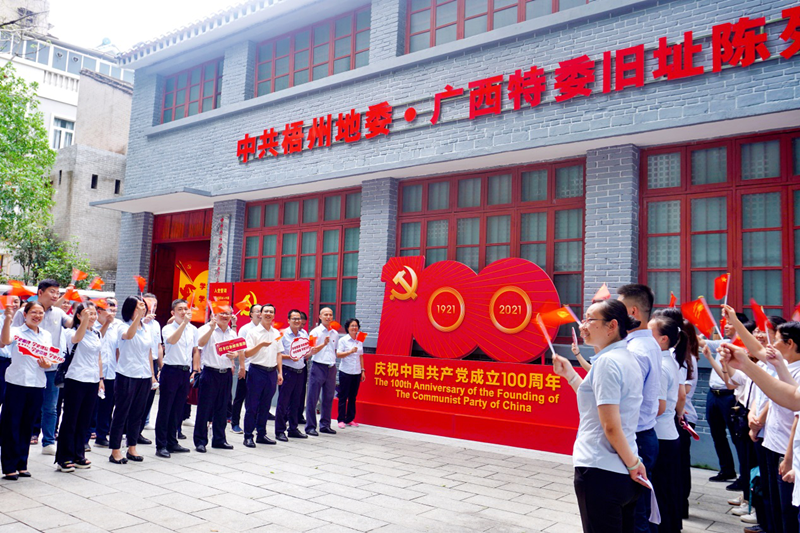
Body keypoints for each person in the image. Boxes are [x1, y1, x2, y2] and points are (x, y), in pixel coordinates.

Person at [552, 299, 648, 533]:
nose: (582, 325)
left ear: (612, 325)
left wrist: (634, 465)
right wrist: (571, 376)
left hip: (601, 470)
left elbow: (610, 426)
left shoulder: (607, 362)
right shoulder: (625, 358)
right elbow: (598, 404)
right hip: (622, 469)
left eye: (589, 319)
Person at [724, 307, 799, 533]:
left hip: (786, 447)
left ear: (790, 343)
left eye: (776, 339)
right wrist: (734, 320)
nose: (770, 344)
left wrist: (788, 457)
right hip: (772, 440)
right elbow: (756, 351)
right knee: (773, 500)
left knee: (786, 509)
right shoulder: (783, 364)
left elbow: (792, 404)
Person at [616, 283, 661, 532]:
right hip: (646, 434)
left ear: (632, 312)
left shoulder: (635, 350)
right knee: (640, 506)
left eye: (619, 308)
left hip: (637, 437)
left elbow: (622, 396)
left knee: (635, 513)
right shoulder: (648, 344)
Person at [11, 280, 72, 456]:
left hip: (51, 368)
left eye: (58, 293)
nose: (55, 296)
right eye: (52, 292)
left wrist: (84, 315)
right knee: (24, 407)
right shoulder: (23, 312)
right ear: (40, 292)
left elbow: (71, 323)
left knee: (51, 407)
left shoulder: (58, 312)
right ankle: (20, 438)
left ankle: (49, 442)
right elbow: (12, 335)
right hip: (26, 368)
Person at [0, 302, 53, 480]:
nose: (37, 316)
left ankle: (22, 464)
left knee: (27, 425)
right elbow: (4, 341)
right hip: (17, 383)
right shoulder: (16, 331)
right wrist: (7, 320)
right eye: (33, 312)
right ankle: (9, 466)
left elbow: (49, 359)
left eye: (40, 312)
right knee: (11, 425)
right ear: (25, 314)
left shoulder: (46, 335)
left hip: (37, 384)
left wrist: (47, 364)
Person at [657, 308, 699, 520]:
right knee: (677, 469)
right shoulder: (676, 355)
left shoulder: (678, 357)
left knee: (676, 471)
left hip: (677, 418)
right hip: (676, 417)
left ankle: (679, 508)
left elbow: (682, 393)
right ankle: (678, 509)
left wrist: (679, 414)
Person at [704, 312, 754, 486]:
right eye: (725, 322)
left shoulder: (743, 349)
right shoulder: (722, 343)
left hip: (730, 396)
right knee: (717, 434)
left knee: (737, 437)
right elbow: (701, 342)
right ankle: (726, 470)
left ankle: (744, 477)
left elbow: (732, 381)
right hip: (713, 394)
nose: (725, 326)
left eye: (730, 323)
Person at [647, 313, 687, 533]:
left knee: (661, 490)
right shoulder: (669, 360)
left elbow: (659, 407)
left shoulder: (661, 366)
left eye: (649, 332)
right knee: (668, 488)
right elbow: (680, 396)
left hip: (660, 435)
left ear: (663, 339)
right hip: (669, 433)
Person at [55, 302, 104, 472]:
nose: (92, 317)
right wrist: (84, 321)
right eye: (88, 313)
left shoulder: (97, 333)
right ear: (78, 315)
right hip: (75, 379)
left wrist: (100, 378)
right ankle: (64, 457)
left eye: (94, 313)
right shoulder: (70, 332)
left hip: (92, 380)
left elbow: (99, 357)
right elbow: (77, 338)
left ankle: (78, 454)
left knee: (85, 419)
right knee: (71, 418)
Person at [109, 297, 156, 464]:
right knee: (121, 412)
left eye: (143, 307)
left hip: (144, 375)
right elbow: (129, 335)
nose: (142, 310)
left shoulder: (147, 328)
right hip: (127, 374)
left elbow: (149, 352)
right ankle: (115, 450)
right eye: (138, 307)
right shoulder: (122, 326)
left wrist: (152, 374)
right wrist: (138, 318)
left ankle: (132, 447)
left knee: (138, 413)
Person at [194, 305, 242, 453]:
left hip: (226, 373)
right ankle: (200, 441)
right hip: (210, 372)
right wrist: (211, 328)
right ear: (213, 315)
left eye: (228, 313)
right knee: (204, 409)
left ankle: (219, 439)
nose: (225, 316)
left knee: (222, 408)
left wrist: (235, 355)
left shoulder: (232, 333)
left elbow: (236, 350)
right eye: (222, 313)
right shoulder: (205, 329)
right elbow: (200, 344)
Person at [156, 299, 197, 458]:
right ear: (173, 313)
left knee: (178, 408)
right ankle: (161, 444)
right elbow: (172, 340)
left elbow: (194, 351)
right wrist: (183, 324)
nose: (184, 311)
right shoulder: (168, 328)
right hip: (171, 371)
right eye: (180, 309)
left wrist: (194, 370)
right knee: (165, 408)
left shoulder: (192, 329)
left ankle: (172, 441)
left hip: (185, 372)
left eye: (186, 308)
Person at [243, 304, 283, 447]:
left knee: (266, 406)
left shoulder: (276, 333)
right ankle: (248, 436)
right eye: (266, 311)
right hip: (256, 371)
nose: (268, 314)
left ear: (274, 315)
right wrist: (260, 345)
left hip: (271, 372)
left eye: (271, 312)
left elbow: (279, 354)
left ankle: (261, 434)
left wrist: (280, 372)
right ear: (260, 314)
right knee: (252, 405)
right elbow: (247, 353)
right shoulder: (253, 332)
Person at [276, 309, 317, 442]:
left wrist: (311, 352)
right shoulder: (282, 334)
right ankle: (280, 430)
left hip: (300, 371)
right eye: (294, 318)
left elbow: (304, 354)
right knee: (283, 402)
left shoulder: (304, 334)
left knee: (296, 402)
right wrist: (290, 357)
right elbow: (278, 354)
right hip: (287, 371)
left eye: (299, 319)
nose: (297, 321)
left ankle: (293, 429)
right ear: (288, 320)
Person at [93, 299, 122, 447]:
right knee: (92, 406)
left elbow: (117, 348)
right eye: (109, 310)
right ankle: (87, 433)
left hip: (111, 371)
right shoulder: (92, 325)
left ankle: (102, 435)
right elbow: (97, 338)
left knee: (107, 405)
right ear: (99, 312)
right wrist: (106, 324)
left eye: (114, 311)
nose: (112, 314)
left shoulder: (117, 326)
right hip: (95, 372)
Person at [306, 307, 338, 436]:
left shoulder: (335, 333)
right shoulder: (315, 332)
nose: (328, 317)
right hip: (318, 366)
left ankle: (325, 424)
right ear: (320, 316)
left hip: (331, 367)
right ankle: (310, 426)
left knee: (328, 397)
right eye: (325, 314)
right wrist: (323, 344)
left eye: (330, 315)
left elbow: (334, 351)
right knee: (313, 398)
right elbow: (311, 351)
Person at [231, 304, 261, 434]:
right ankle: (235, 423)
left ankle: (252, 423)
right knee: (240, 396)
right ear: (251, 314)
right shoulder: (245, 329)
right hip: (247, 367)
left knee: (255, 398)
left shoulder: (264, 329)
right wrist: (242, 367)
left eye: (261, 311)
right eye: (257, 311)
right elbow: (241, 349)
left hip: (259, 368)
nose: (260, 313)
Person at [139, 293, 162, 444]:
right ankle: (127, 431)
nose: (152, 308)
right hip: (140, 362)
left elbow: (158, 346)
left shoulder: (156, 324)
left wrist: (161, 366)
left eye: (155, 305)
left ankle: (138, 431)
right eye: (149, 305)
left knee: (148, 399)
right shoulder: (137, 323)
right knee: (137, 400)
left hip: (152, 362)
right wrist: (143, 321)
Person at [336, 318, 365, 429]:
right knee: (343, 396)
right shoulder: (343, 340)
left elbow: (361, 356)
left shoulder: (360, 340)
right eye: (352, 326)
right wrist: (350, 351)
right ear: (347, 328)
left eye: (356, 326)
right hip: (345, 372)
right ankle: (341, 419)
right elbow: (338, 355)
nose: (354, 328)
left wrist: (362, 370)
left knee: (353, 396)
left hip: (356, 372)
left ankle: (350, 419)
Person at [0, 293, 21, 407]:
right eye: (10, 301)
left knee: (12, 399)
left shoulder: (25, 323)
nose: (13, 305)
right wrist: (8, 320)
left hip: (17, 363)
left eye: (16, 301)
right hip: (2, 361)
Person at [298, 311, 309, 425]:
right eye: (301, 323)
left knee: (301, 390)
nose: (302, 326)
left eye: (304, 324)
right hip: (290, 365)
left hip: (303, 363)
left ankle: (299, 414)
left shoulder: (304, 333)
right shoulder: (287, 334)